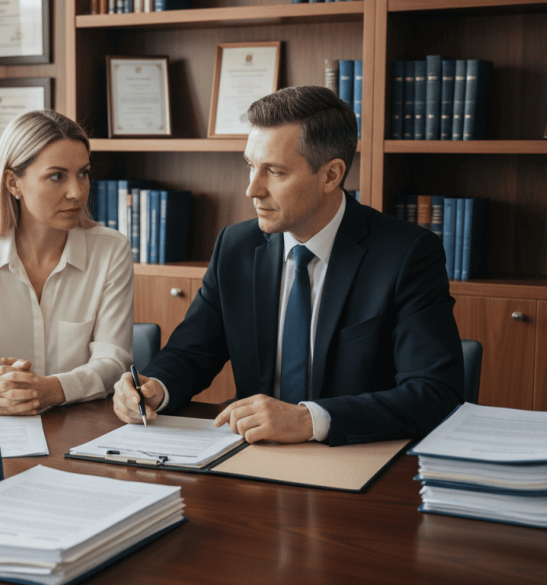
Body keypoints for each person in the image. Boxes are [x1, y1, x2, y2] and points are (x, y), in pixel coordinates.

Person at [113, 86, 463, 446]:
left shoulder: (406, 254)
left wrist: (308, 420)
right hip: (253, 452)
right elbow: (191, 352)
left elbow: (434, 391)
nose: (252, 190)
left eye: (275, 172)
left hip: (355, 453)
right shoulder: (236, 246)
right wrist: (155, 387)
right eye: (251, 166)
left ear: (331, 175)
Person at [0, 109, 133, 415]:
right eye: (57, 176)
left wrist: (53, 389)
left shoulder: (111, 249)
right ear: (13, 182)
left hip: (84, 421)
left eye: (83, 173)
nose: (77, 192)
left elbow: (114, 360)